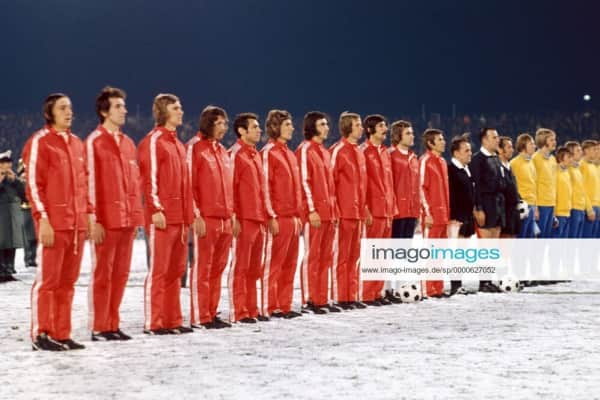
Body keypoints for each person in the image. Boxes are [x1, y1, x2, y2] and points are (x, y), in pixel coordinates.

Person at [22, 93, 91, 350]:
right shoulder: (40, 142)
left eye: (70, 107)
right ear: (49, 113)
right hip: (54, 224)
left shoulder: (77, 143)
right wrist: (43, 219)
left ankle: (61, 333)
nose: (68, 112)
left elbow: (84, 184)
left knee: (67, 282)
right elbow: (33, 185)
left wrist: (88, 214)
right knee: (48, 282)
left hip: (76, 225)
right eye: (62, 108)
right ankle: (41, 334)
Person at [85, 87, 144, 341]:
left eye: (123, 106)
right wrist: (93, 219)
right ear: (104, 111)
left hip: (127, 220)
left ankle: (112, 323)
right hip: (106, 221)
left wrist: (136, 216)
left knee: (120, 274)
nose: (124, 111)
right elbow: (89, 184)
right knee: (103, 274)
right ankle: (99, 326)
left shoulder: (128, 143)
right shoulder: (94, 142)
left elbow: (134, 183)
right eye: (118, 106)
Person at [138, 94, 194, 335]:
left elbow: (186, 184)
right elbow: (148, 179)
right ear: (163, 112)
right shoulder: (154, 141)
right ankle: (155, 321)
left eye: (180, 107)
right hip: (162, 216)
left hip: (180, 218)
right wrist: (155, 209)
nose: (181, 111)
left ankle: (173, 320)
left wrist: (188, 216)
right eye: (175, 108)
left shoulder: (178, 144)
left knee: (176, 271)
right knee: (159, 271)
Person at [186, 106, 234, 329]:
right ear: (208, 124)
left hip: (225, 219)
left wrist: (231, 214)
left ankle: (211, 312)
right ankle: (200, 316)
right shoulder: (195, 148)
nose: (224, 127)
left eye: (225, 123)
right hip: (206, 218)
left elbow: (229, 186)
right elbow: (189, 183)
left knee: (218, 268)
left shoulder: (222, 151)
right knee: (202, 268)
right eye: (219, 123)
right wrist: (196, 214)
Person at [261, 110, 303, 319]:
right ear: (275, 127)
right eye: (287, 125)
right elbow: (265, 187)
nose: (292, 128)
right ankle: (270, 305)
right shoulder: (268, 153)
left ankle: (284, 304)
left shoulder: (290, 154)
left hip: (293, 218)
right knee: (274, 265)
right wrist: (271, 215)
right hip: (279, 217)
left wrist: (299, 216)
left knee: (289, 264)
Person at [296, 111, 340, 314]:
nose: (327, 128)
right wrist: (311, 209)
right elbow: (304, 182)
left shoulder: (324, 151)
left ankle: (322, 298)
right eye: (322, 124)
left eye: (326, 124)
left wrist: (334, 210)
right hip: (315, 214)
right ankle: (309, 299)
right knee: (312, 256)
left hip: (329, 213)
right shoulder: (305, 150)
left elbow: (331, 186)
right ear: (312, 127)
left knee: (325, 257)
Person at [228, 113, 267, 323]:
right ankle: (239, 310)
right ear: (242, 131)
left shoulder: (255, 154)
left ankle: (252, 308)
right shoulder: (235, 154)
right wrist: (234, 216)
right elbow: (230, 188)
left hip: (258, 218)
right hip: (244, 219)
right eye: (254, 127)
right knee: (241, 266)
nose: (259, 130)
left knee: (254, 269)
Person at [330, 112, 368, 310]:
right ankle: (340, 297)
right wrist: (335, 208)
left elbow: (362, 185)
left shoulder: (359, 152)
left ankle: (351, 295)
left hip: (357, 213)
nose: (361, 128)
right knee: (341, 257)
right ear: (348, 127)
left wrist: (364, 207)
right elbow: (331, 183)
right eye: (358, 124)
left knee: (354, 257)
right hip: (344, 213)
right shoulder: (338, 151)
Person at [360, 115, 396, 306]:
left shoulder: (384, 152)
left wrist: (392, 207)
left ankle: (377, 292)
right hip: (372, 210)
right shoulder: (363, 151)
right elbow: (361, 183)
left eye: (385, 125)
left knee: (382, 253)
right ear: (370, 130)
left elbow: (389, 183)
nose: (385, 129)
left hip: (386, 210)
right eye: (381, 126)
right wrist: (365, 207)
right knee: (371, 253)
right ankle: (367, 293)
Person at [388, 120, 419, 301]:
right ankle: (386, 288)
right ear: (398, 136)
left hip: (411, 211)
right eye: (408, 133)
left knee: (404, 251)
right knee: (390, 252)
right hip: (396, 211)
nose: (412, 136)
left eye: (412, 133)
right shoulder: (391, 155)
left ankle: (401, 287)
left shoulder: (413, 157)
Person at [418, 128, 449, 298]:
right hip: (432, 216)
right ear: (430, 143)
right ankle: (427, 289)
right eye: (440, 139)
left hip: (443, 216)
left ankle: (438, 288)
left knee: (440, 254)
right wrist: (427, 212)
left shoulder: (442, 162)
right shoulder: (425, 161)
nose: (444, 142)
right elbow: (421, 188)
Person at [447, 134, 474, 295]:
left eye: (470, 150)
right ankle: (455, 285)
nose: (470, 153)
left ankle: (459, 283)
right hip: (457, 218)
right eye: (466, 151)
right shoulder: (451, 170)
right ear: (456, 153)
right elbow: (450, 196)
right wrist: (454, 217)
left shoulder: (466, 169)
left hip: (467, 216)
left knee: (462, 252)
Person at [0, 150, 25, 282]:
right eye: (5, 163)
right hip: (1, 215)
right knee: (1, 243)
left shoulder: (13, 179)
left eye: (9, 163)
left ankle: (9, 269)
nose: (8, 165)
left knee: (12, 243)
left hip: (13, 215)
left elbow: (24, 195)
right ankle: (1, 271)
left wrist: (15, 181)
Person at [509, 134, 537, 238]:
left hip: (532, 205)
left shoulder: (531, 163)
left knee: (530, 238)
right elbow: (511, 185)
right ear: (523, 145)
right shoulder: (514, 163)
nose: (534, 146)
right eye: (531, 144)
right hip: (522, 206)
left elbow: (533, 184)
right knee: (521, 237)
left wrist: (536, 206)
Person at [532, 128, 558, 238]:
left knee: (547, 238)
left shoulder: (553, 159)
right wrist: (535, 207)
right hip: (541, 205)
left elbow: (553, 183)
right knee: (539, 239)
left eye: (554, 139)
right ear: (543, 141)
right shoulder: (535, 159)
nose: (554, 142)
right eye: (551, 140)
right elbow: (533, 184)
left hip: (551, 204)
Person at [565, 141, 594, 238]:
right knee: (572, 238)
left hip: (581, 208)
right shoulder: (568, 170)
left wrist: (588, 208)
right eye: (578, 150)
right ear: (571, 153)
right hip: (573, 208)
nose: (581, 152)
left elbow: (583, 190)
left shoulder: (577, 169)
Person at [498, 136, 521, 238]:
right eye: (509, 147)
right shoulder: (497, 167)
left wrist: (519, 200)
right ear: (500, 149)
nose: (512, 150)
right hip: (504, 212)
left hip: (513, 211)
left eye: (512, 147)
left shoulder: (509, 166)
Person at [17, 158, 37, 268]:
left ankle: (32, 258)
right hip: (25, 209)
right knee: (28, 236)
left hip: (35, 208)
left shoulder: (34, 177)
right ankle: (28, 258)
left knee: (35, 235)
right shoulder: (20, 180)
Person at [580, 140, 600, 238]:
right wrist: (589, 208)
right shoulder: (582, 165)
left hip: (597, 205)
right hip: (589, 206)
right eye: (594, 149)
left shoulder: (593, 166)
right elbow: (582, 188)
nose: (596, 152)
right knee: (587, 238)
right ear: (586, 150)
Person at [553, 147, 573, 238]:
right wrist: (554, 214)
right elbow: (553, 193)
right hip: (558, 213)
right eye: (568, 157)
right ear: (561, 158)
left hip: (567, 213)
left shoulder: (566, 173)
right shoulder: (555, 173)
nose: (570, 159)